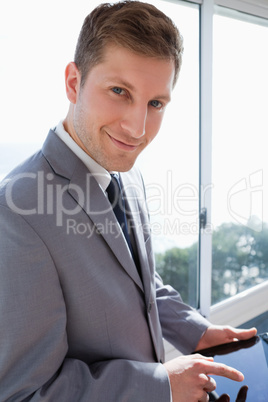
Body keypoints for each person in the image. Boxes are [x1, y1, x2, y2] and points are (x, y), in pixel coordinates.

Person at [0, 1, 256, 401]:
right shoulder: (16, 212)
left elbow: (138, 276)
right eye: (119, 91)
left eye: (155, 104)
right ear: (73, 82)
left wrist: (194, 329)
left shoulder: (126, 172)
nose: (137, 129)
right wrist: (162, 386)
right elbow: (25, 393)